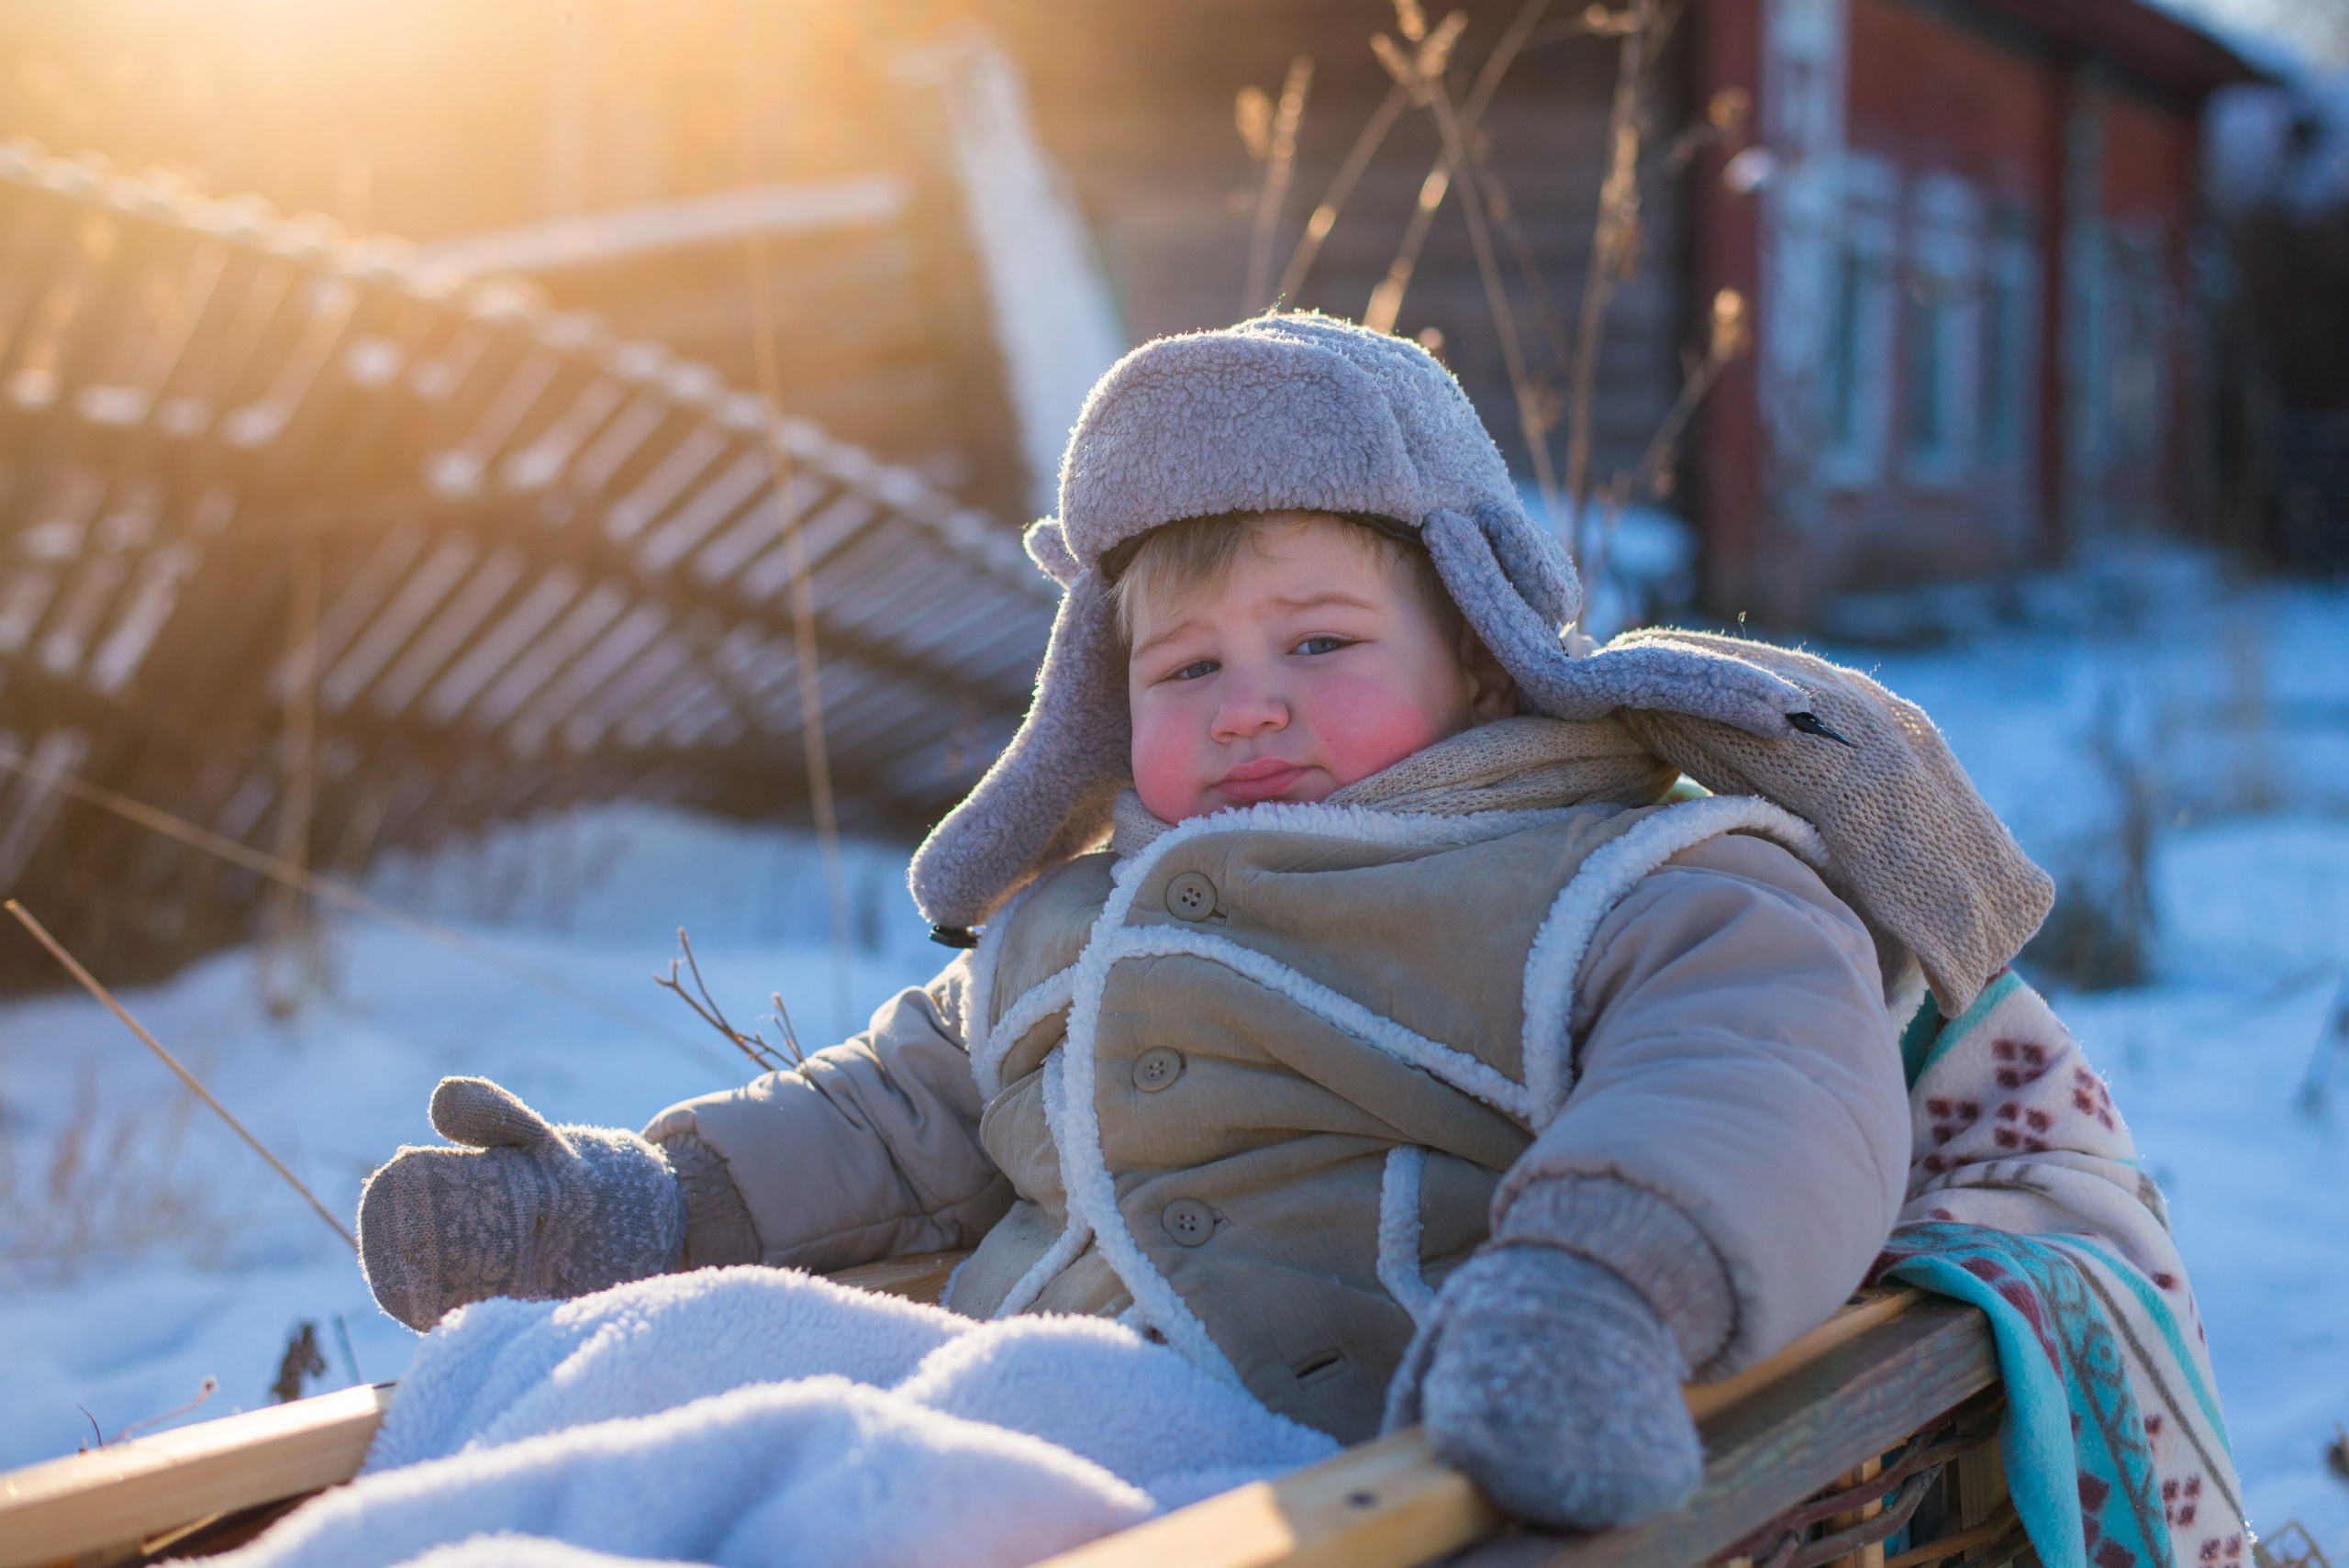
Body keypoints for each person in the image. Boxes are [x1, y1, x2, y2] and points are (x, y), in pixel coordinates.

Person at [356, 314, 2055, 1530]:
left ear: (1475, 647)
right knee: (621, 1381)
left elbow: (1759, 1069)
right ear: (1105, 705)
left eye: (1319, 643)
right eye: (1186, 669)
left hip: (1316, 1471)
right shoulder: (1067, 923)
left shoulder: (1614, 872)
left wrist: (1599, 1287)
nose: (1250, 707)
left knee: (880, 1486)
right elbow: (887, 1119)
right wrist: (632, 1205)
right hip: (1024, 1392)